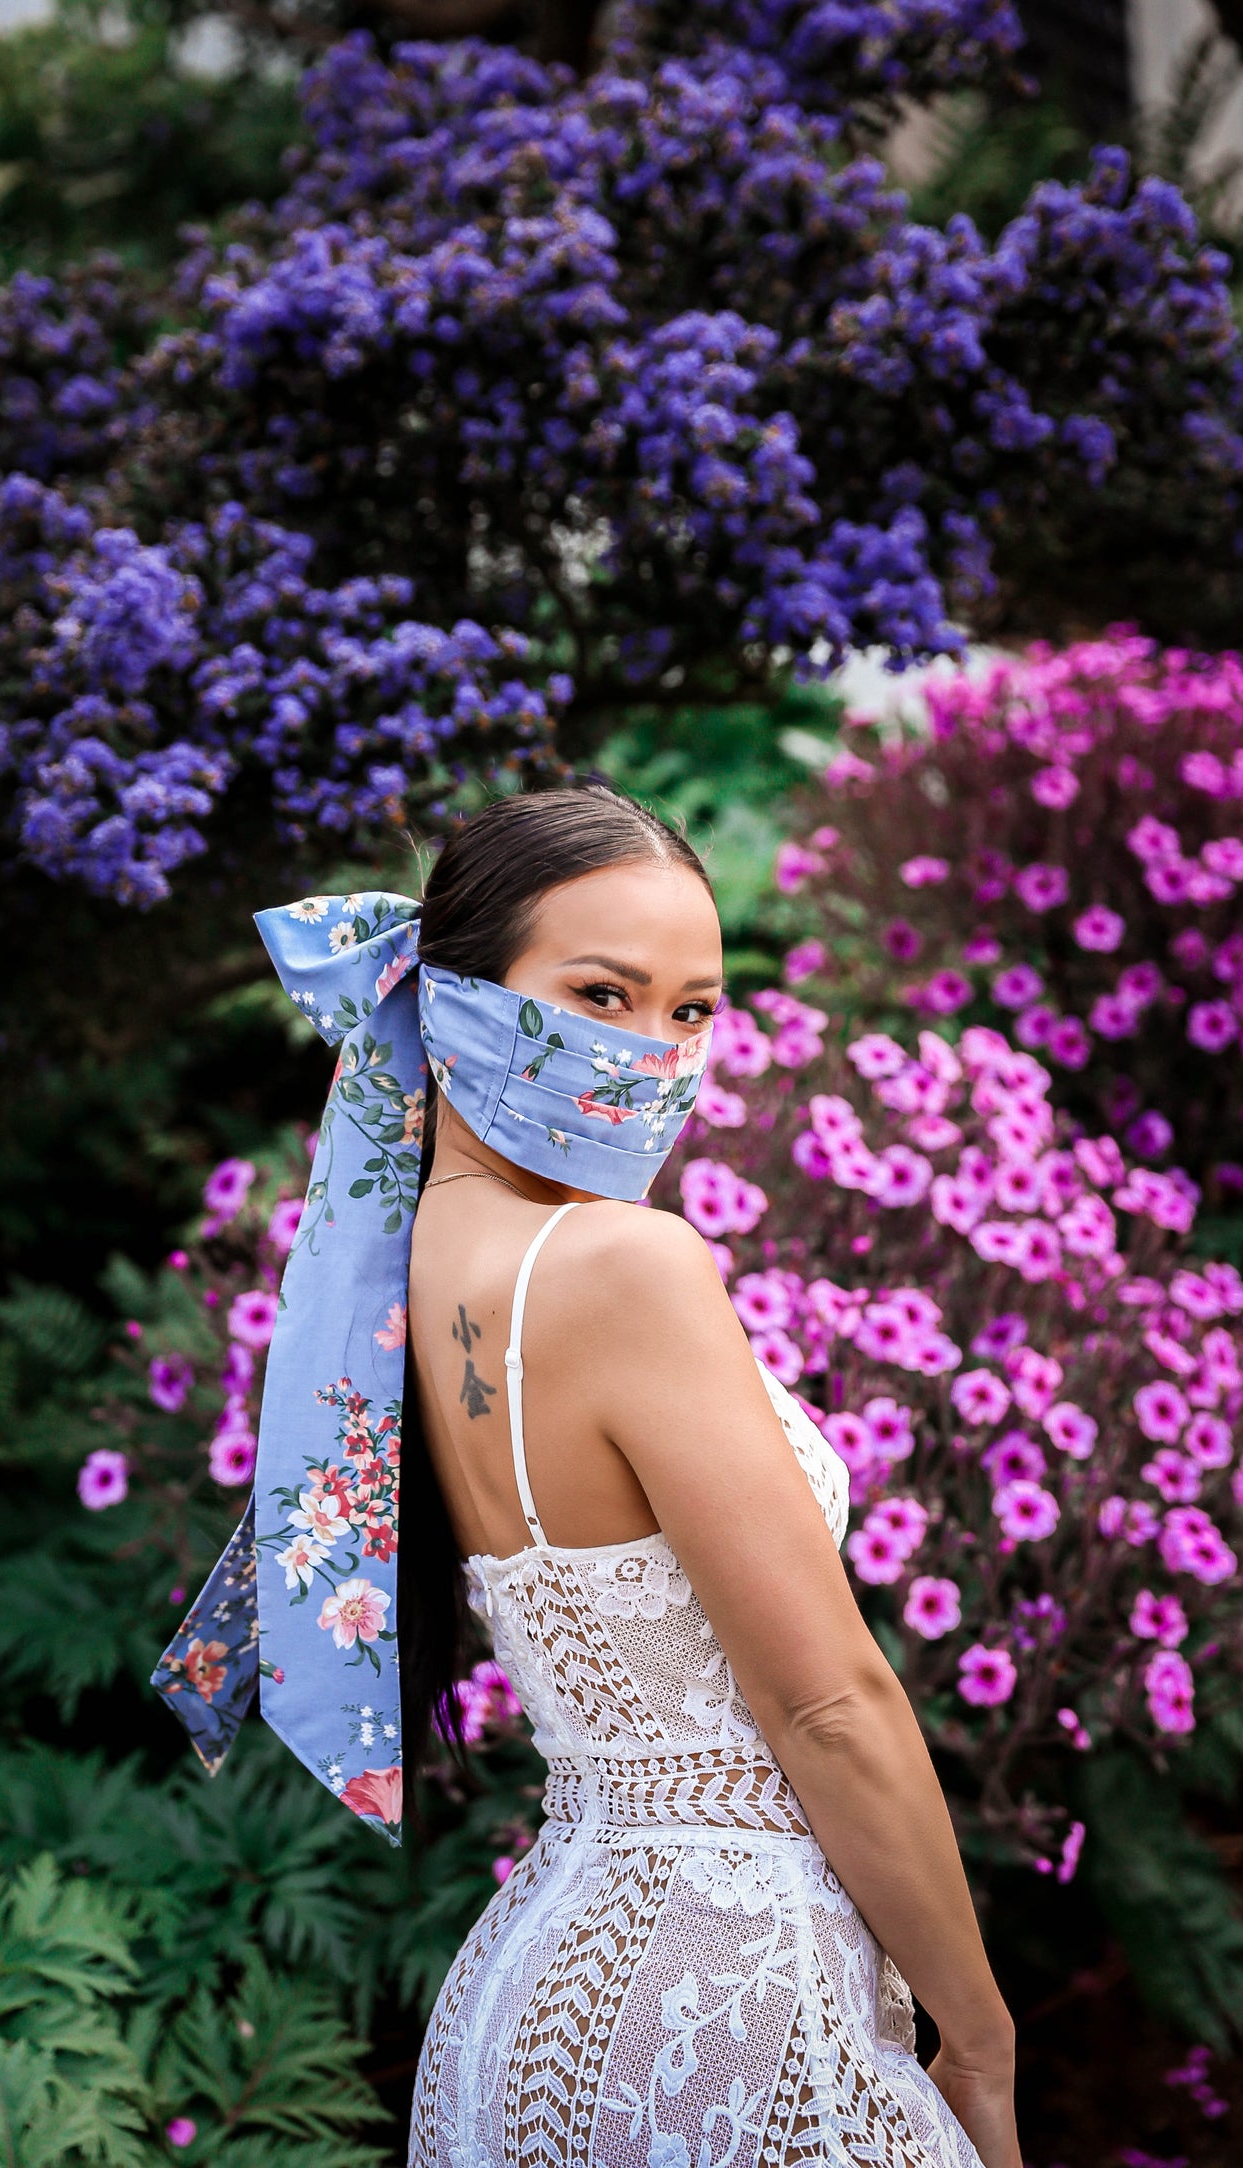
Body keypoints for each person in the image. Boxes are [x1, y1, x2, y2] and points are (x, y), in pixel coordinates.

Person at [401, 784, 1021, 2168]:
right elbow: (827, 1707)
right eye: (602, 994)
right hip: (730, 2013)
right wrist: (977, 2042)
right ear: (457, 997)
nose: (653, 1054)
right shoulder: (624, 1266)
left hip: (529, 2013)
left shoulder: (419, 1254)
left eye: (689, 1012)